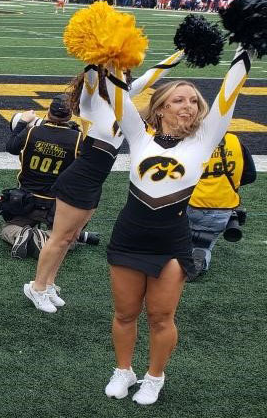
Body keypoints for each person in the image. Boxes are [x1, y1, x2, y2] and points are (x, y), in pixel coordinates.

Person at [101, 47, 251, 405]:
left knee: (161, 316)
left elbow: (229, 95)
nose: (189, 106)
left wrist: (244, 47)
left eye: (194, 102)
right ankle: (124, 370)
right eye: (178, 100)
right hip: (129, 237)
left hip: (172, 240)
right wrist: (108, 55)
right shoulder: (138, 135)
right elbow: (116, 94)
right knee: (125, 314)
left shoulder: (205, 139)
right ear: (161, 108)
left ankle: (154, 377)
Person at [24, 51, 181, 313]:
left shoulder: (123, 101)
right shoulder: (92, 101)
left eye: (125, 73)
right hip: (79, 179)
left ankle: (49, 283)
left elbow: (153, 74)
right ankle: (36, 287)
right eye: (119, 72)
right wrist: (105, 51)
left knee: (70, 237)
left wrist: (182, 52)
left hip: (95, 182)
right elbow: (91, 73)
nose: (125, 77)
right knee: (59, 237)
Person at [1, 96, 82, 259]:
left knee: (7, 230)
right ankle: (44, 237)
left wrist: (22, 123)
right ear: (70, 115)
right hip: (57, 204)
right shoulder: (78, 139)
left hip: (26, 200)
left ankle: (22, 235)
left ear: (48, 112)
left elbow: (11, 147)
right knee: (68, 240)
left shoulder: (32, 132)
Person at [187, 131, 255, 279]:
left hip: (189, 204)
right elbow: (250, 175)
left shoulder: (188, 140)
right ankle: (200, 252)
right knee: (203, 242)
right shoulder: (235, 141)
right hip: (221, 208)